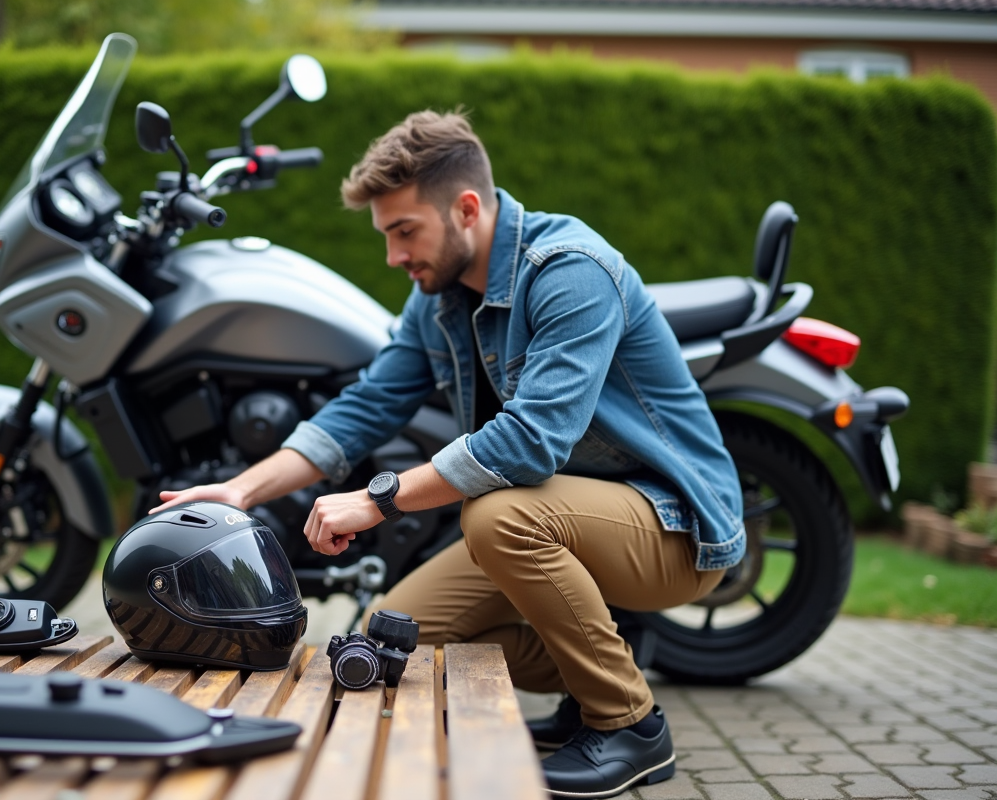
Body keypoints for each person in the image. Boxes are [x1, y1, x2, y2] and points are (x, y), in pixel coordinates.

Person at [152, 110, 745, 798]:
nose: (393, 256)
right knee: (393, 639)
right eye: (386, 235)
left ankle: (629, 725)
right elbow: (367, 405)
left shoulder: (570, 271)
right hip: (562, 519)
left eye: (405, 231)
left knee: (498, 516)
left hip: (674, 529)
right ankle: (594, 677)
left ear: (466, 209)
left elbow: (531, 442)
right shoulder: (437, 301)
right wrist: (242, 490)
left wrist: (377, 500)